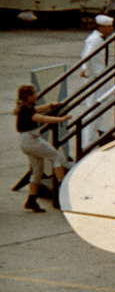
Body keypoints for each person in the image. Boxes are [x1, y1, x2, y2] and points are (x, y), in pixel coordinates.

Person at [15, 84, 69, 212]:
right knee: (57, 157)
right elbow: (42, 118)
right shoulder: (27, 112)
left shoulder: (26, 107)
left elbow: (38, 109)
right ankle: (63, 190)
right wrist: (61, 118)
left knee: (37, 170)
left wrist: (50, 105)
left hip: (26, 141)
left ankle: (31, 200)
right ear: (29, 97)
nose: (37, 95)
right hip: (31, 140)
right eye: (34, 94)